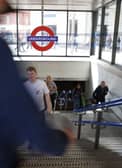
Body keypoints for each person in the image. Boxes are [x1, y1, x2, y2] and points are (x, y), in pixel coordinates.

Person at [0, 1, 75, 167]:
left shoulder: (41, 83)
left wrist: (48, 110)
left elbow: (45, 95)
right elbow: (20, 110)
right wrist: (59, 140)